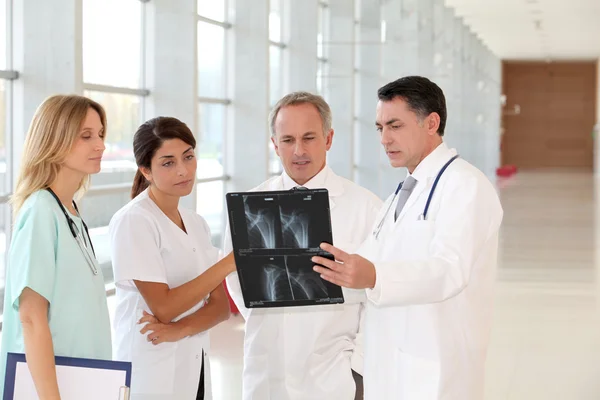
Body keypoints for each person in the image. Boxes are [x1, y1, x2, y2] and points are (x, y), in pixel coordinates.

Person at [312, 76, 504, 400]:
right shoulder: (401, 193)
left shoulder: (465, 185)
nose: (385, 139)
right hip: (390, 364)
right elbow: (370, 258)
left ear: (431, 122)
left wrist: (373, 275)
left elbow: (449, 270)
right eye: (379, 128)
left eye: (395, 125)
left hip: (437, 369)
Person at [224, 91, 382, 400]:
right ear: (274, 144)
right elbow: (235, 277)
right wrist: (270, 323)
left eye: (309, 138)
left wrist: (357, 365)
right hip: (266, 372)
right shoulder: (249, 205)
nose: (298, 151)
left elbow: (378, 292)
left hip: (334, 375)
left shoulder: (366, 208)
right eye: (287, 140)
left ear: (329, 138)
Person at [108, 117, 235, 400]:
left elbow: (220, 308)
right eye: (168, 162)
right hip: (151, 370)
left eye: (188, 157)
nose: (183, 170)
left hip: (195, 366)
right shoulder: (134, 221)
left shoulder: (196, 223)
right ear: (146, 170)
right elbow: (163, 307)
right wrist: (227, 264)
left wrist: (178, 330)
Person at [0, 95, 112, 398]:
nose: (100, 145)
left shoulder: (69, 211)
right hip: (51, 387)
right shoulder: (40, 212)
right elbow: (31, 318)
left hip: (83, 379)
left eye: (100, 134)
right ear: (54, 140)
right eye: (86, 136)